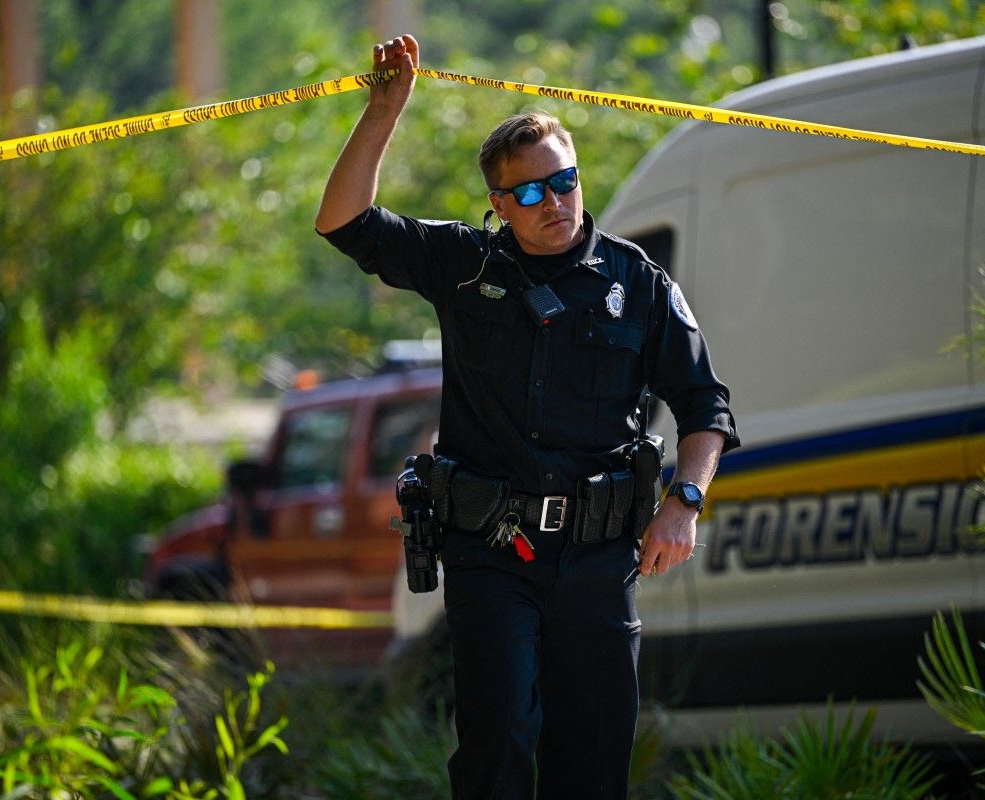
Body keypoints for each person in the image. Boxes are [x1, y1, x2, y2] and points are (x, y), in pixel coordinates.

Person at [315, 34, 739, 800]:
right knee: (499, 739)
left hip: (599, 558)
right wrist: (384, 111)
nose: (557, 203)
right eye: (534, 192)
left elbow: (706, 405)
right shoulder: (465, 265)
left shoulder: (636, 283)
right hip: (492, 553)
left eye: (566, 182)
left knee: (596, 756)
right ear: (500, 204)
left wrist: (685, 502)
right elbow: (344, 222)